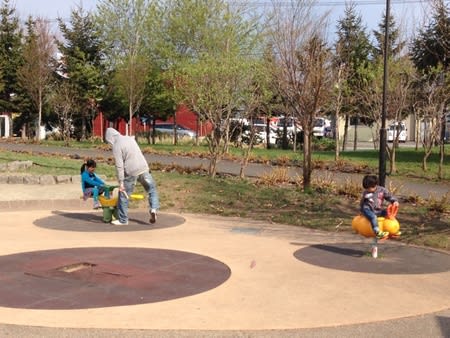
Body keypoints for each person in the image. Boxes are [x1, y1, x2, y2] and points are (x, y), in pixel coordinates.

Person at [105, 127, 160, 225]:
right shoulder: (130, 138)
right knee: (152, 190)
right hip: (144, 168)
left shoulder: (117, 146)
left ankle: (123, 220)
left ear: (110, 138)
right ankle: (154, 209)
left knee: (123, 195)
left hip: (131, 171)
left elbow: (119, 165)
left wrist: (121, 182)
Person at [360, 174, 399, 239]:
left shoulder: (382, 190)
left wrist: (394, 201)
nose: (367, 190)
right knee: (373, 217)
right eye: (366, 188)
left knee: (389, 214)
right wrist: (361, 210)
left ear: (375, 185)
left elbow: (389, 196)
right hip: (367, 210)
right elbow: (362, 202)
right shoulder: (366, 192)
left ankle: (393, 230)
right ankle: (377, 231)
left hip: (378, 210)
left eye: (369, 188)